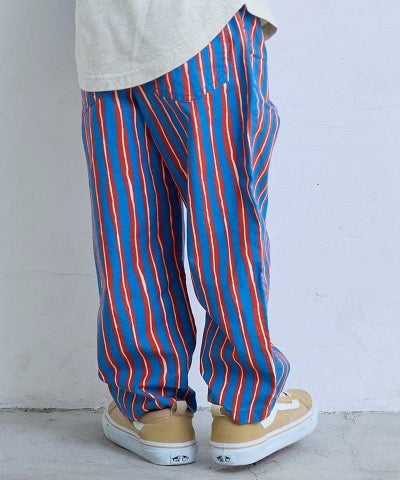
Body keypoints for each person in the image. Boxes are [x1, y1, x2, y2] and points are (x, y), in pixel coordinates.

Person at [75, 0, 318, 467]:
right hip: (202, 29)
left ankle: (154, 411)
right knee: (226, 221)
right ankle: (246, 410)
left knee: (129, 230)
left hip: (107, 40)